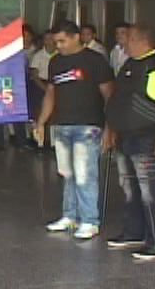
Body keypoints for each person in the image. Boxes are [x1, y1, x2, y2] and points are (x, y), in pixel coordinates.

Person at [104, 24, 155, 260]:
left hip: (148, 138)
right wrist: (111, 129)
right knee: (131, 189)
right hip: (126, 137)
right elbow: (118, 100)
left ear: (140, 40)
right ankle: (134, 233)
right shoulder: (129, 65)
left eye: (127, 39)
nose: (123, 43)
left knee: (152, 192)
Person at [35, 21, 114, 239]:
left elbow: (109, 94)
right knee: (67, 173)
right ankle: (70, 216)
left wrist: (110, 127)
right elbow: (51, 93)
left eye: (62, 41)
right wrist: (42, 121)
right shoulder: (55, 62)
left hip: (88, 125)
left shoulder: (95, 60)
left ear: (76, 37)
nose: (58, 45)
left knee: (85, 174)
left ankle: (90, 220)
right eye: (55, 41)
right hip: (62, 124)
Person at [29, 30, 56, 117]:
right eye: (46, 39)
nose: (49, 41)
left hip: (56, 83)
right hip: (41, 84)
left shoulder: (60, 54)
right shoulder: (38, 55)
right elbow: (34, 76)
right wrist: (46, 89)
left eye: (51, 38)